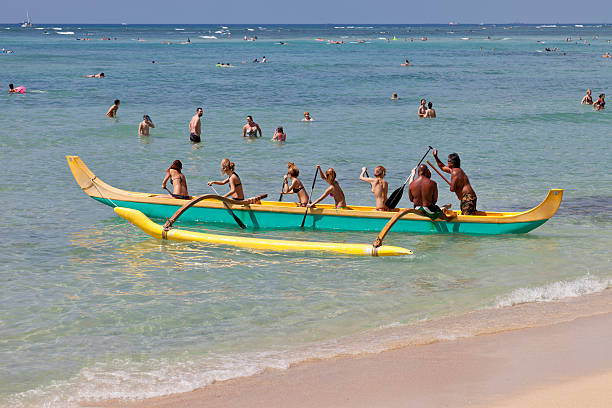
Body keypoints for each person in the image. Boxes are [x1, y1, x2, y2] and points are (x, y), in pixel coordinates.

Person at [432, 149, 478, 215]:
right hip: (468, 197)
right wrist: (435, 157)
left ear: (452, 163)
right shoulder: (456, 170)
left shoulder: (455, 172)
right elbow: (442, 167)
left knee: (467, 219)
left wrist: (451, 187)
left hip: (468, 198)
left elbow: (452, 189)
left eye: (448, 161)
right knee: (468, 216)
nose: (447, 163)